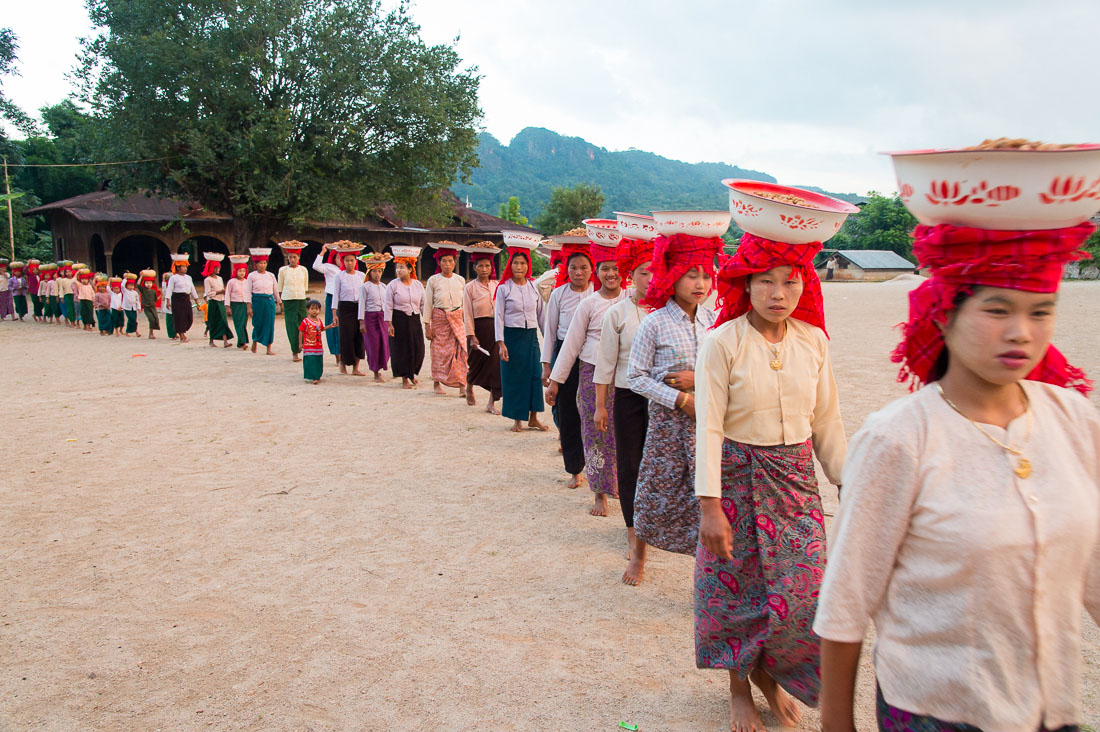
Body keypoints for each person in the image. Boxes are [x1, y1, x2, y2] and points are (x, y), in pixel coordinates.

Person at [816, 222, 1099, 732]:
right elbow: (847, 598)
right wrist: (837, 722)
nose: (1021, 332)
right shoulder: (899, 438)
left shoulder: (1074, 420)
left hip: (1051, 709)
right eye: (996, 310)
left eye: (1041, 311)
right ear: (945, 316)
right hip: (935, 711)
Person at [693, 232, 845, 730]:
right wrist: (709, 507)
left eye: (790, 282)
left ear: (805, 286)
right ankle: (740, 688)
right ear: (746, 285)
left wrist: (847, 481)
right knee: (738, 589)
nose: (778, 294)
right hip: (736, 477)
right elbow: (709, 426)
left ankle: (772, 676)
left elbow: (827, 421)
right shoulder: (722, 342)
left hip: (796, 479)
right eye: (766, 282)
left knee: (802, 590)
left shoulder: (814, 341)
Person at [626, 232, 721, 558]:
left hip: (707, 424)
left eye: (707, 275)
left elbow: (729, 374)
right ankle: (638, 555)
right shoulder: (654, 323)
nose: (701, 283)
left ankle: (705, 565)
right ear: (673, 275)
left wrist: (696, 380)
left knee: (706, 495)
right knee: (656, 490)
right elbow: (635, 377)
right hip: (667, 426)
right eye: (692, 274)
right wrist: (680, 400)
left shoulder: (715, 322)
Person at [546, 236, 625, 517]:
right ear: (598, 272)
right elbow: (570, 346)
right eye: (605, 268)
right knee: (595, 433)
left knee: (622, 435)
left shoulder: (631, 300)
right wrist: (555, 381)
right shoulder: (589, 304)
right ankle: (599, 493)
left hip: (625, 377)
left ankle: (621, 487)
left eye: (616, 268)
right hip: (591, 375)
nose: (611, 274)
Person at [593, 235, 654, 584]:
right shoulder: (617, 313)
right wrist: (601, 405)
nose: (651, 279)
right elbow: (605, 364)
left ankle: (656, 527)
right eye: (644, 272)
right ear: (632, 275)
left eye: (656, 272)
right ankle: (633, 529)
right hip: (627, 396)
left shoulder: (668, 310)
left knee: (658, 464)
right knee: (630, 464)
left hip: (662, 399)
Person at [541, 242, 594, 487]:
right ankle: (575, 469)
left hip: (592, 354)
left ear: (592, 270)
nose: (579, 273)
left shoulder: (598, 293)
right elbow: (550, 332)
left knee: (594, 413)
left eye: (584, 267)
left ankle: (599, 471)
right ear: (567, 270)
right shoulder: (558, 294)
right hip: (565, 355)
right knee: (568, 412)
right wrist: (547, 366)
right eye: (574, 268)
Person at [495, 244, 548, 432]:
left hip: (531, 337)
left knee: (535, 374)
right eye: (516, 263)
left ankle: (533, 417)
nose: (519, 267)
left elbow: (541, 315)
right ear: (510, 265)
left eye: (523, 263)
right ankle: (517, 419)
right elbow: (499, 316)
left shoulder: (534, 287)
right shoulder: (504, 289)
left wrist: (547, 338)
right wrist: (501, 343)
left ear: (528, 265)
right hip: (511, 337)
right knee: (514, 377)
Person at [424, 243, 468, 397]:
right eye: (444, 261)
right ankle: (437, 382)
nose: (447, 264)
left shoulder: (460, 280)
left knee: (461, 351)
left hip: (457, 319)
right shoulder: (433, 280)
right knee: (438, 352)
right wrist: (427, 326)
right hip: (440, 319)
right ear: (439, 263)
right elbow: (428, 303)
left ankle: (462, 384)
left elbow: (465, 304)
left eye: (450, 261)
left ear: (454, 262)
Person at [462, 246, 502, 414]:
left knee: (496, 366)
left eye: (487, 266)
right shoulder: (470, 287)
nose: (484, 269)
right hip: (479, 329)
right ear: (474, 267)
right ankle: (469, 386)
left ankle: (491, 403)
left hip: (496, 329)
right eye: (481, 266)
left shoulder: (497, 285)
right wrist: (471, 336)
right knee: (475, 363)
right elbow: (467, 313)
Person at [384, 249, 426, 389]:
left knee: (417, 347)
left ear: (410, 269)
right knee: (401, 349)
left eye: (402, 267)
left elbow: (423, 304)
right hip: (398, 319)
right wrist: (389, 324)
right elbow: (388, 305)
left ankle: (412, 373)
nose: (399, 270)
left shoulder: (418, 285)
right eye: (397, 268)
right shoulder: (393, 285)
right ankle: (404, 378)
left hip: (414, 320)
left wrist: (427, 322)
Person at [330, 246, 366, 375]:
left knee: (358, 337)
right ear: (342, 262)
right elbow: (336, 295)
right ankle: (343, 364)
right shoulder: (339, 276)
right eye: (347, 261)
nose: (349, 263)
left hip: (359, 308)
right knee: (346, 336)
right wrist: (334, 314)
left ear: (356, 261)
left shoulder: (361, 275)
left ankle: (356, 367)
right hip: (345, 309)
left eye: (351, 260)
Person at [358, 252, 392, 382]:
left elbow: (388, 305)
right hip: (369, 318)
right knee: (373, 345)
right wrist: (361, 322)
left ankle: (382, 366)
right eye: (374, 271)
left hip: (382, 318)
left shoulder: (384, 287)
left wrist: (389, 322)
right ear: (369, 272)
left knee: (384, 343)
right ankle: (375, 371)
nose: (377, 274)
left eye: (379, 271)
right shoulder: (365, 287)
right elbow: (361, 305)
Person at [277, 241, 310, 362]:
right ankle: (295, 351)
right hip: (288, 299)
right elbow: (280, 286)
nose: (292, 259)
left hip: (301, 298)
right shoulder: (283, 270)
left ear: (299, 258)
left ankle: (305, 347)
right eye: (290, 257)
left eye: (295, 257)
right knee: (291, 324)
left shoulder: (303, 270)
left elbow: (305, 286)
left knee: (304, 323)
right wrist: (281, 301)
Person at [312, 243, 344, 366]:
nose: (340, 261)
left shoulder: (349, 271)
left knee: (344, 328)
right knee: (334, 327)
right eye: (338, 258)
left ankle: (345, 354)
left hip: (345, 300)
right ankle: (337, 355)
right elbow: (316, 266)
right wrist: (323, 251)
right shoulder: (329, 267)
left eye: (343, 258)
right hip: (332, 299)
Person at [246, 248, 280, 355]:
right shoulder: (251, 276)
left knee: (269, 324)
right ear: (256, 264)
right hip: (257, 301)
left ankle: (268, 347)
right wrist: (249, 306)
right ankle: (255, 340)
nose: (263, 265)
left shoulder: (271, 275)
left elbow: (275, 289)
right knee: (258, 323)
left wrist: (279, 301)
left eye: (264, 263)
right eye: (260, 263)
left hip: (269, 301)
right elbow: (248, 292)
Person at [165, 255, 199, 341]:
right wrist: (168, 301)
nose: (185, 268)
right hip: (177, 298)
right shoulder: (173, 278)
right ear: (178, 268)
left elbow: (192, 289)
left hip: (186, 298)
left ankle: (183, 331)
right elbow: (169, 290)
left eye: (185, 266)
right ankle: (181, 334)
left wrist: (197, 300)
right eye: (183, 267)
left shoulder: (188, 277)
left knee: (189, 316)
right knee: (180, 317)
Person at [201, 253, 232, 348]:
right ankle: (211, 340)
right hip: (213, 302)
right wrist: (219, 292)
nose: (218, 269)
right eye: (216, 268)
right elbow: (208, 293)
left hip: (221, 301)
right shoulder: (208, 280)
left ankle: (225, 341)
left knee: (223, 321)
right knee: (213, 321)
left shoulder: (220, 278)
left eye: (218, 268)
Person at [299, 299, 333, 384]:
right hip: (309, 345)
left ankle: (317, 376)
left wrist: (330, 326)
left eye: (317, 309)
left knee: (318, 361)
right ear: (308, 310)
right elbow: (301, 332)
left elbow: (322, 329)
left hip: (318, 346)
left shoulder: (319, 321)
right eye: (312, 309)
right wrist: (300, 343)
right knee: (311, 361)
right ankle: (314, 377)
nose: (315, 311)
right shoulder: (305, 321)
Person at [224, 255, 250, 349]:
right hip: (235, 304)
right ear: (236, 271)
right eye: (240, 271)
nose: (242, 273)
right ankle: (243, 342)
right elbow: (227, 294)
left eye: (243, 271)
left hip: (245, 304)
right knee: (238, 322)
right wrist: (227, 306)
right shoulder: (231, 282)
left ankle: (240, 342)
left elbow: (250, 294)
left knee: (244, 323)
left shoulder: (247, 281)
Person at [136, 269, 160, 338]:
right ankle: (150, 333)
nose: (149, 284)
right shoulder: (143, 290)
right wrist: (141, 276)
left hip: (153, 307)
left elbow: (155, 299)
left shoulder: (153, 291)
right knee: (151, 319)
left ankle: (152, 332)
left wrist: (161, 295)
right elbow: (138, 284)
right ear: (144, 283)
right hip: (146, 307)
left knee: (155, 319)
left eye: (150, 283)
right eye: (147, 283)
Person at [160, 271, 177, 340]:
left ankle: (176, 333)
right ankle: (171, 335)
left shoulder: (176, 287)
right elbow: (164, 289)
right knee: (170, 321)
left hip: (176, 306)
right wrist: (163, 280)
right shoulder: (167, 288)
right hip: (169, 307)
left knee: (177, 321)